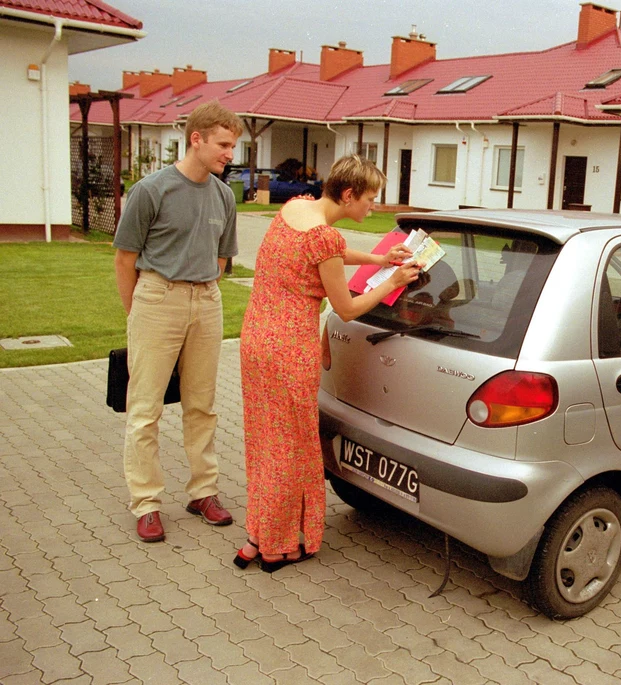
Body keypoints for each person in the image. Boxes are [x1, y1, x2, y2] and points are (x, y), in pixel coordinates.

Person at [234, 155, 420, 573]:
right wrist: (392, 282)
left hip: (256, 342)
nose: (372, 207)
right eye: (370, 199)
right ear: (349, 194)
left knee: (264, 442)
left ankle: (256, 537)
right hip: (290, 350)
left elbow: (328, 256)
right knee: (291, 446)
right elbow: (348, 309)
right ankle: (278, 547)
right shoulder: (324, 238)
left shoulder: (295, 208)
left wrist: (379, 259)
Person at [113, 101, 244, 542]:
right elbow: (125, 258)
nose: (231, 154)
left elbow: (224, 258)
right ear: (197, 138)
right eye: (224, 144)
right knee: (145, 409)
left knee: (202, 405)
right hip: (157, 299)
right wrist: (140, 313)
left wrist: (202, 292)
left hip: (207, 300)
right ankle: (147, 502)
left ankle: (202, 491)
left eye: (233, 145)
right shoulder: (151, 190)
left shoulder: (224, 196)